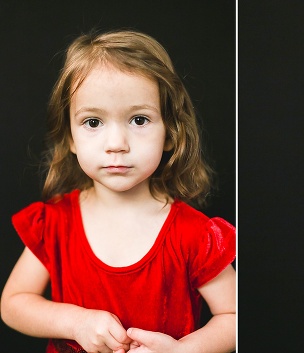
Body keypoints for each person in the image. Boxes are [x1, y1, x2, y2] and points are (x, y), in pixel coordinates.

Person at [0, 30, 236, 353]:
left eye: (139, 120)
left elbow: (235, 316)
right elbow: (13, 303)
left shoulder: (194, 234)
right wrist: (75, 322)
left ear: (170, 132)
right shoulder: (55, 223)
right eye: (93, 122)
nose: (116, 144)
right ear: (70, 136)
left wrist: (184, 351)